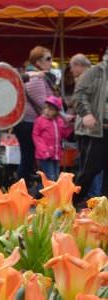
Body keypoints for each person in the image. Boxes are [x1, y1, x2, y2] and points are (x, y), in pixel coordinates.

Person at [16, 46, 57, 185]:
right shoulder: (36, 78)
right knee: (28, 157)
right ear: (38, 62)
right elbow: (43, 104)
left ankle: (22, 186)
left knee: (28, 157)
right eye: (48, 59)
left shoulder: (36, 76)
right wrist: (58, 107)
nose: (51, 62)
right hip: (29, 123)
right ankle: (21, 187)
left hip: (27, 123)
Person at [73, 49, 108, 208]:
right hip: (100, 130)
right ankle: (68, 202)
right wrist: (86, 113)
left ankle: (104, 209)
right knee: (90, 171)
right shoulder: (96, 72)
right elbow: (79, 95)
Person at [32, 96, 73, 181]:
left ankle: (42, 192)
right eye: (46, 108)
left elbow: (64, 135)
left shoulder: (59, 121)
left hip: (56, 155)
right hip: (45, 155)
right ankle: (47, 193)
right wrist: (44, 151)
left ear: (56, 112)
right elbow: (36, 137)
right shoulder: (40, 121)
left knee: (54, 177)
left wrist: (68, 125)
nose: (47, 111)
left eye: (51, 109)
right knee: (50, 177)